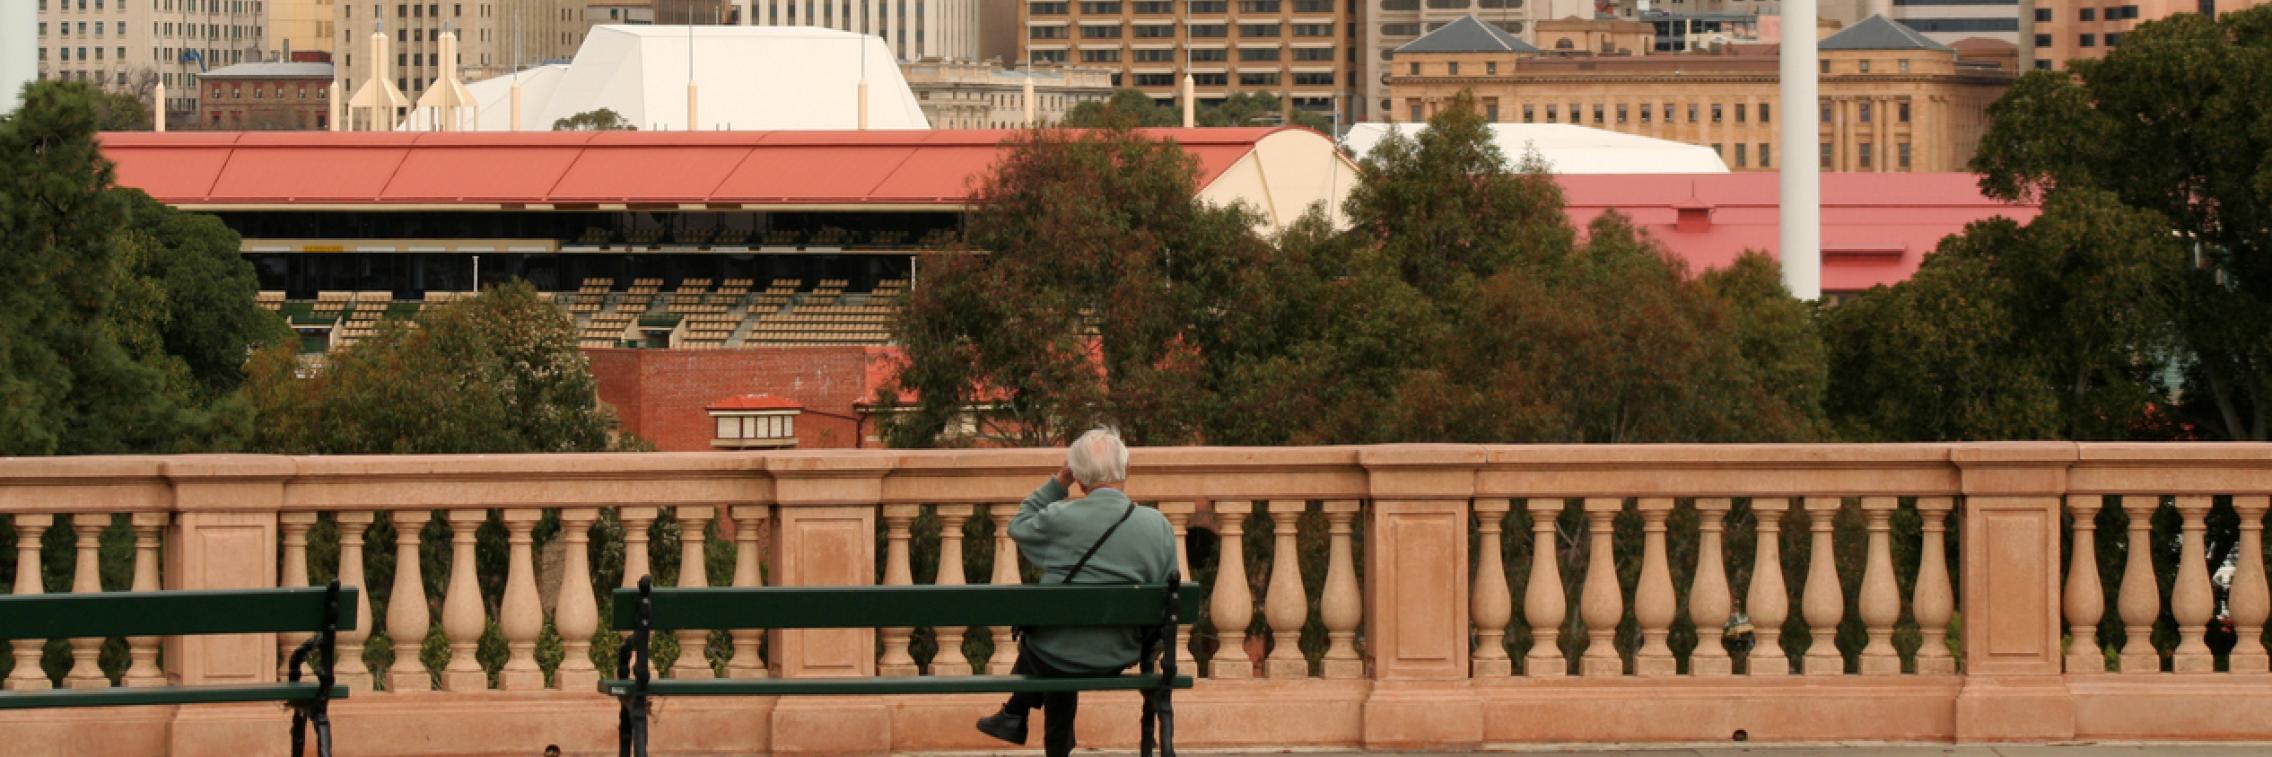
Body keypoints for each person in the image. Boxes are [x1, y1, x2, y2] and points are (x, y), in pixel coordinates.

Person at [975, 427, 1177, 757]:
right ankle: (1014, 714)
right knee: (1058, 642)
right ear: (1125, 470)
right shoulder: (1158, 525)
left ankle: (1029, 724)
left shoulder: (1059, 517)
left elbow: (1018, 525)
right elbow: (1168, 595)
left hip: (1055, 657)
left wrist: (1059, 481)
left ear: (1079, 477)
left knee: (1055, 645)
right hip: (1119, 653)